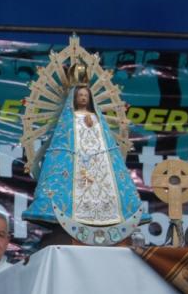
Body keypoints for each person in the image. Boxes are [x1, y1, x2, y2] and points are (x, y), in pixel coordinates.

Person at [22, 74, 148, 245]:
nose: (83, 98)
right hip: (76, 162)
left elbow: (102, 137)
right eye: (80, 96)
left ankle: (108, 213)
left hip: (98, 160)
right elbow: (63, 138)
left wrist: (93, 125)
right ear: (74, 98)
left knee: (103, 185)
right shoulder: (69, 117)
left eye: (85, 96)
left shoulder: (95, 117)